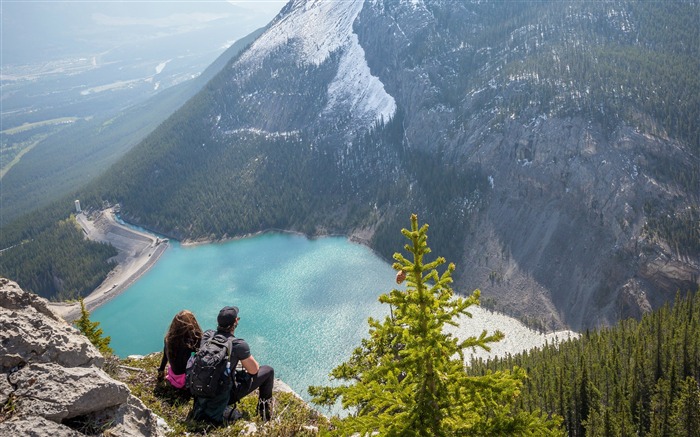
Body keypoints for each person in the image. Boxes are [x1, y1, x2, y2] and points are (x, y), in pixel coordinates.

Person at [192, 306, 275, 424]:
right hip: (223, 395)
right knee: (268, 371)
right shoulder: (238, 344)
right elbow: (254, 370)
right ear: (235, 322)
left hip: (201, 390)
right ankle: (264, 414)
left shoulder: (207, 336)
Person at [157, 310, 203, 389]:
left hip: (174, 377)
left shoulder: (168, 339)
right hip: (188, 379)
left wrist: (161, 370)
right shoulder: (195, 341)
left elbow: (165, 356)